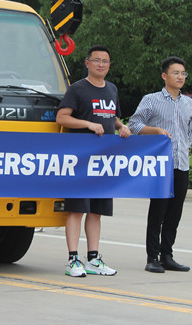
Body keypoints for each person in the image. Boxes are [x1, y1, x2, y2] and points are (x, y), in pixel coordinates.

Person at [56, 44, 131, 277]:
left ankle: (93, 258)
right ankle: (72, 260)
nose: (101, 64)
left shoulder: (111, 90)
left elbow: (110, 117)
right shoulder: (77, 89)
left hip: (104, 162)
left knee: (97, 211)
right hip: (80, 160)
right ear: (87, 63)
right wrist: (88, 125)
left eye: (105, 61)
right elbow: (62, 117)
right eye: (96, 60)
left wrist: (121, 126)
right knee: (77, 209)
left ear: (109, 66)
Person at [128, 56, 192, 274]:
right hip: (160, 166)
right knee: (158, 212)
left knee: (175, 213)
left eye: (183, 73)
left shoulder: (189, 103)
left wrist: (184, 149)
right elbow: (135, 125)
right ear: (164, 76)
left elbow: (189, 132)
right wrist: (156, 131)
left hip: (181, 164)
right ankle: (152, 257)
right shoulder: (152, 100)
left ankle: (168, 256)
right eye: (175, 73)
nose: (180, 77)